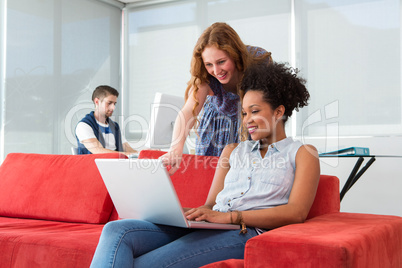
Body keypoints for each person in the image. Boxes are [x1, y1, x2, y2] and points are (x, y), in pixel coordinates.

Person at [89, 62, 320, 268]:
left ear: (279, 111)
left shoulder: (302, 154)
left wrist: (230, 217)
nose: (247, 119)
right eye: (244, 112)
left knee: (143, 264)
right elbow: (211, 204)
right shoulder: (232, 151)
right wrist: (188, 214)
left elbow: (296, 213)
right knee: (116, 230)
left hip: (245, 232)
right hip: (214, 224)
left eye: (255, 111)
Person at [161, 22, 272, 175]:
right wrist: (176, 148)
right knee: (210, 181)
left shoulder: (258, 60)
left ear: (235, 54)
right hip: (215, 128)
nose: (216, 71)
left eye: (221, 62)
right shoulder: (206, 75)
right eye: (209, 64)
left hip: (247, 123)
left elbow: (269, 104)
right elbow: (188, 111)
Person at [75, 85, 137, 156]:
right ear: (97, 102)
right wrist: (127, 154)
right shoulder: (84, 126)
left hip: (115, 165)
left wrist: (144, 154)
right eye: (109, 103)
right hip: (94, 166)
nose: (113, 107)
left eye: (114, 104)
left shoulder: (115, 126)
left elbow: (128, 149)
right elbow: (98, 151)